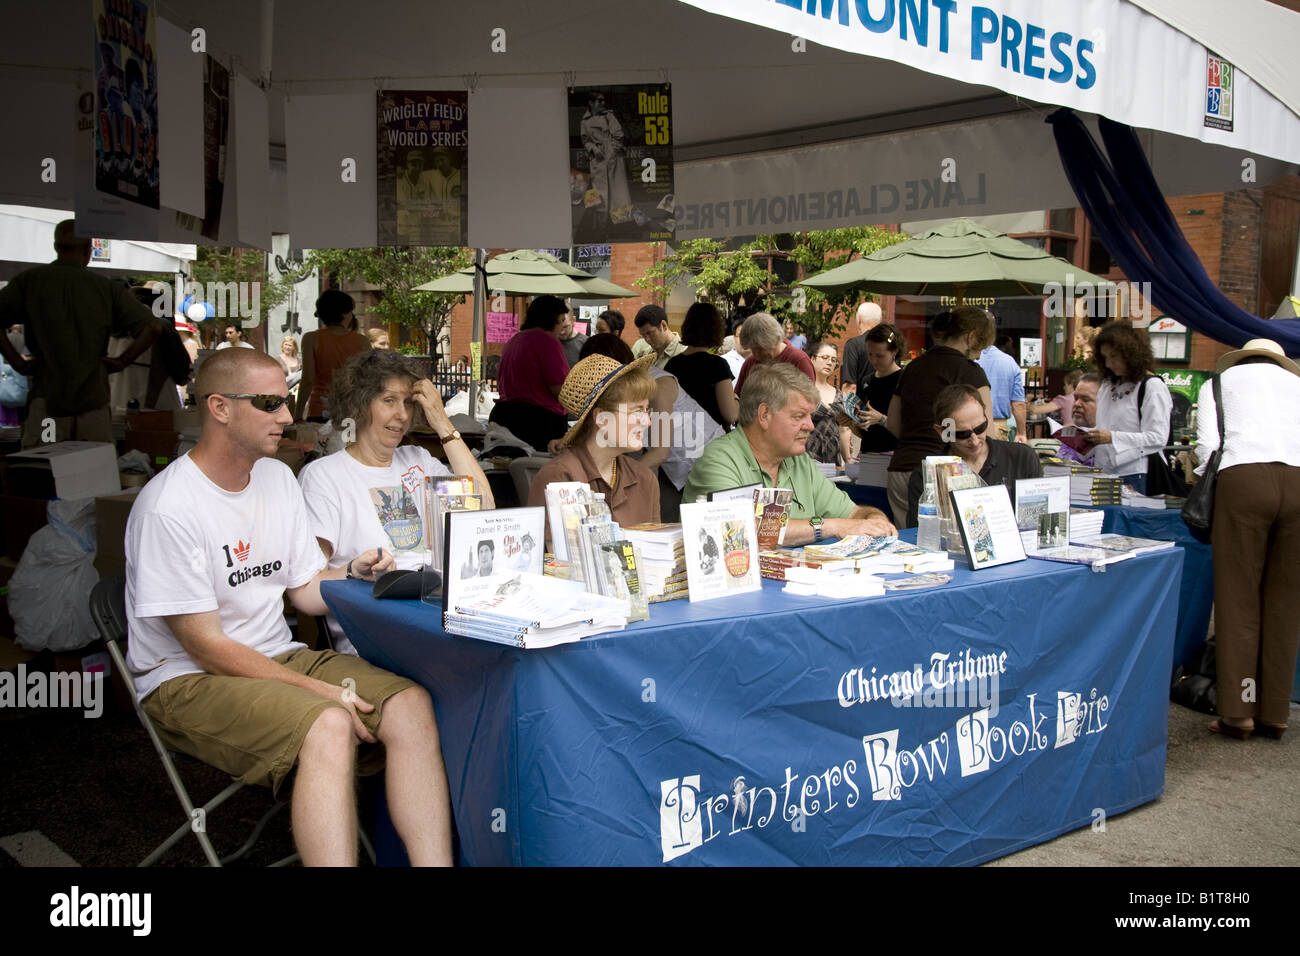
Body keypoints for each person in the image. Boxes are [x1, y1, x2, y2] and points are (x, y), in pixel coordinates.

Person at [124, 348, 453, 866]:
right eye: (269, 403)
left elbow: (303, 590)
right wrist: (316, 689)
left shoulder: (277, 477)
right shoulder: (169, 508)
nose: (286, 415)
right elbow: (206, 648)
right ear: (219, 407)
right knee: (328, 721)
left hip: (276, 654)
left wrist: (353, 574)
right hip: (185, 679)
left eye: (285, 400)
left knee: (410, 704)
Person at [298, 350, 493, 646]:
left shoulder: (418, 460)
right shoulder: (324, 477)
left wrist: (443, 424)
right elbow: (309, 591)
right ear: (359, 404)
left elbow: (483, 510)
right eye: (388, 401)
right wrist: (353, 571)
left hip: (441, 617)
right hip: (379, 632)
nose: (402, 415)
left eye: (408, 403)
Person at [1194, 339, 1300, 741]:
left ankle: (1240, 710)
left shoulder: (1219, 384)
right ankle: (1275, 712)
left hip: (1244, 479)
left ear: (1242, 356)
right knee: (1285, 603)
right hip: (1298, 481)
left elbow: (1208, 450)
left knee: (1239, 600)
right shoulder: (1297, 385)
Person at [682, 363, 896, 543]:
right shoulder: (718, 460)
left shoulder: (799, 461)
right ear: (764, 415)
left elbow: (853, 513)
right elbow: (742, 531)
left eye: (810, 416)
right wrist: (832, 526)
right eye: (799, 416)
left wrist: (875, 520)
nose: (810, 426)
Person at [0, 219, 160, 448]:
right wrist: (121, 362)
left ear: (56, 247)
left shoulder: (30, 281)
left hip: (47, 398)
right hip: (92, 399)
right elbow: (153, 327)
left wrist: (17, 362)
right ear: (88, 250)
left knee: (43, 472)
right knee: (93, 474)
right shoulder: (104, 287)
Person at [580, 332, 724, 523]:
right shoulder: (629, 389)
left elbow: (659, 452)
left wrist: (615, 481)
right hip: (682, 468)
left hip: (709, 463)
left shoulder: (657, 386)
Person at [527, 353, 661, 542]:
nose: (647, 421)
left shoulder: (645, 479)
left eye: (647, 410)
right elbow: (561, 565)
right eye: (637, 410)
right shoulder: (559, 478)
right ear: (601, 418)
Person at [884, 306, 994, 527]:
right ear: (971, 337)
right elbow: (986, 431)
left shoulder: (913, 367)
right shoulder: (970, 371)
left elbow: (893, 423)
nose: (980, 353)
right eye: (981, 346)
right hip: (946, 471)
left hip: (902, 467)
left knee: (909, 546)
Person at [905, 384, 1043, 526]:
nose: (975, 440)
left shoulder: (1022, 458)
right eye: (963, 434)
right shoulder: (927, 476)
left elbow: (1036, 523)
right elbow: (918, 535)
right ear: (941, 431)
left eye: (980, 428)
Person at [1082, 320, 1173, 494]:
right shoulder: (1108, 385)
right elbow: (1105, 428)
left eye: (1114, 356)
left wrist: (1111, 437)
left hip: (1136, 472)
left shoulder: (1152, 386)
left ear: (1131, 353)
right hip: (1104, 471)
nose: (1108, 363)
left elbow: (1158, 438)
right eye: (1105, 357)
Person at [489, 294, 572, 451]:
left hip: (505, 417)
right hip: (538, 422)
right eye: (561, 321)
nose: (562, 327)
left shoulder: (514, 340)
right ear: (551, 319)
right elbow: (560, 389)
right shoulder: (547, 341)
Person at [664, 302, 739, 429]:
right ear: (716, 330)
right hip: (711, 441)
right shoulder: (717, 365)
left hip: (681, 439)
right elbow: (731, 415)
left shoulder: (672, 364)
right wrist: (736, 400)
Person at [297, 290, 369, 421]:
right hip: (351, 412)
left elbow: (307, 379)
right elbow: (367, 381)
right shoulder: (362, 342)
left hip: (319, 410)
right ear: (345, 314)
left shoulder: (311, 339)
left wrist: (297, 415)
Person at [844, 323, 903, 454]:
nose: (874, 361)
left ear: (894, 352)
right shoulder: (866, 380)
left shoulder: (904, 380)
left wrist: (881, 419)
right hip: (868, 454)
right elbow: (865, 432)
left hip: (893, 455)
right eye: (870, 354)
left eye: (880, 356)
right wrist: (852, 423)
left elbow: (908, 431)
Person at [733, 312, 815, 394]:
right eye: (753, 349)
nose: (756, 355)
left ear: (774, 340)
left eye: (760, 349)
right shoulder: (750, 362)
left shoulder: (799, 360)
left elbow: (810, 399)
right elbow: (738, 396)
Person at [976, 323, 1027, 441]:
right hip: (999, 427)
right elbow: (1018, 404)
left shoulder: (968, 360)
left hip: (972, 427)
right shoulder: (1009, 362)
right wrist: (1021, 433)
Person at [805, 339, 849, 465]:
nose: (829, 363)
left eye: (833, 360)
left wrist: (848, 460)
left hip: (832, 459)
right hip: (807, 456)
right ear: (812, 359)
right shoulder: (802, 390)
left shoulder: (840, 395)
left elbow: (843, 430)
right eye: (825, 357)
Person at [840, 301, 883, 396]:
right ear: (880, 320)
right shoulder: (891, 345)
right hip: (887, 407)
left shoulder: (853, 345)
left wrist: (848, 410)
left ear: (859, 319)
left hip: (863, 407)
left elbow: (850, 386)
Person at [1055, 372, 1099, 466]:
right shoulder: (1073, 436)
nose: (1077, 404)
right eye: (1076, 398)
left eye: (1086, 399)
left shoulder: (1106, 446)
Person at [634, 304, 687, 369]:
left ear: (663, 325)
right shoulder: (645, 355)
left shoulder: (684, 353)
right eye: (643, 335)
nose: (647, 339)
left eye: (649, 333)